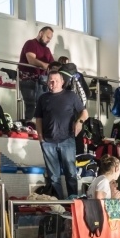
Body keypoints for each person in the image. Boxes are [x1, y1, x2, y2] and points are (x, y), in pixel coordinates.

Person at [35, 70, 88, 199]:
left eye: (56, 81)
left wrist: (79, 122)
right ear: (47, 82)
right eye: (51, 81)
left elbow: (84, 113)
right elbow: (38, 119)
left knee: (71, 173)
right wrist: (40, 137)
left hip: (67, 140)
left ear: (62, 82)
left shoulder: (71, 96)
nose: (53, 83)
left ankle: (73, 201)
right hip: (48, 142)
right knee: (53, 176)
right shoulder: (43, 98)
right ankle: (58, 203)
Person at [19, 27, 54, 120]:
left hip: (42, 81)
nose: (49, 40)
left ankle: (38, 128)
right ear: (41, 33)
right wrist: (45, 65)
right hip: (28, 79)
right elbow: (31, 60)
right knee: (32, 105)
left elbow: (53, 64)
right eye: (47, 37)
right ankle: (30, 125)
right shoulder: (31, 43)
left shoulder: (47, 50)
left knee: (42, 105)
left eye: (50, 38)